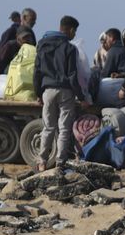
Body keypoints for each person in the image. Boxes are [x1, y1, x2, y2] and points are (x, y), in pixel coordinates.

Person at [33, 15, 86, 172]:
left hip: (48, 90)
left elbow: (37, 72)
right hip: (65, 91)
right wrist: (81, 97)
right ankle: (60, 163)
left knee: (48, 127)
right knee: (64, 129)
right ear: (69, 30)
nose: (74, 35)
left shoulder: (42, 45)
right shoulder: (70, 48)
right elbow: (72, 75)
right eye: (74, 31)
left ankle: (42, 162)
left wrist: (38, 93)